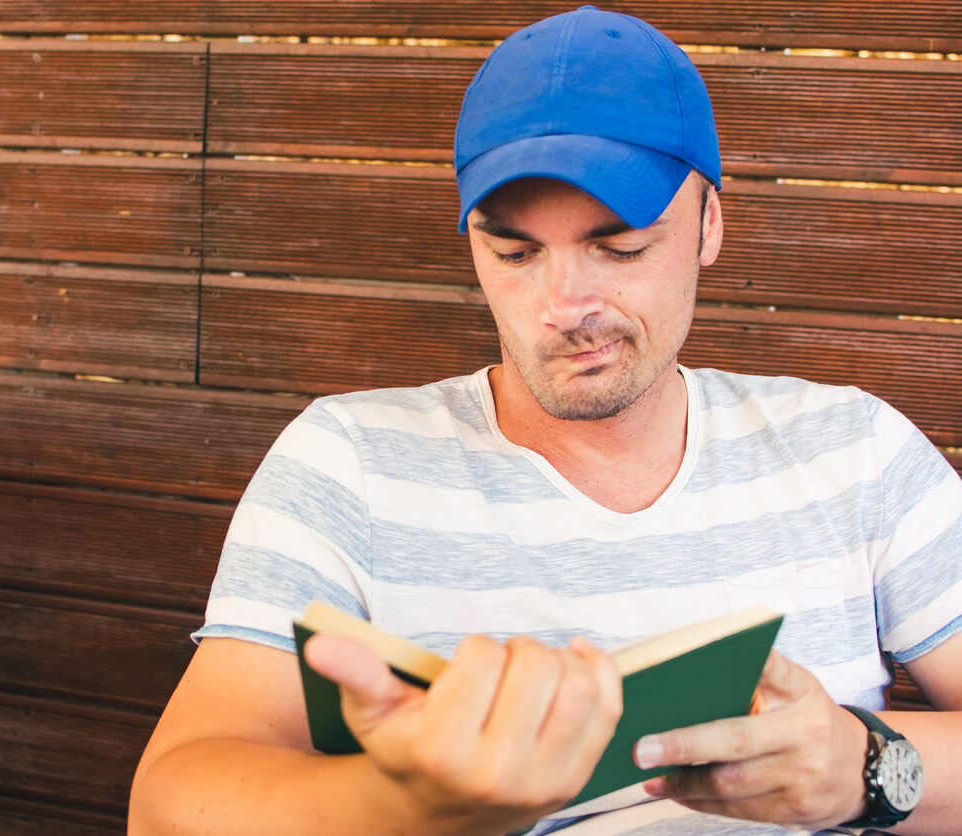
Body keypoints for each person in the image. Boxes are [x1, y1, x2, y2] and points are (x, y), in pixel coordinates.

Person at [128, 6, 962, 835]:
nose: (564, 308)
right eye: (515, 252)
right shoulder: (349, 461)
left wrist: (866, 768)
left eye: (622, 245)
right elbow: (170, 806)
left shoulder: (855, 450)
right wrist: (410, 809)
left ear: (710, 221)